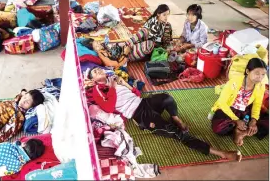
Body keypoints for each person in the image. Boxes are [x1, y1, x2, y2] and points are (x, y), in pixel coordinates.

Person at [85, 66, 242, 161]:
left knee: (166, 98)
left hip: (143, 102)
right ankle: (220, 153)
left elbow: (136, 94)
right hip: (139, 115)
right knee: (178, 133)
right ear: (93, 80)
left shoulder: (114, 79)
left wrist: (124, 83)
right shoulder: (98, 90)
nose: (99, 71)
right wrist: (112, 87)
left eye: (99, 69)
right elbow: (109, 107)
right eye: (95, 72)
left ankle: (176, 118)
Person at [211, 58, 268, 146]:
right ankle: (239, 128)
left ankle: (242, 132)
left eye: (263, 74)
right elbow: (222, 103)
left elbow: (257, 104)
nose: (260, 77)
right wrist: (237, 120)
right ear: (248, 71)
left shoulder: (260, 86)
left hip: (246, 110)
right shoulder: (234, 82)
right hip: (229, 110)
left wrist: (253, 120)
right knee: (218, 129)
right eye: (257, 73)